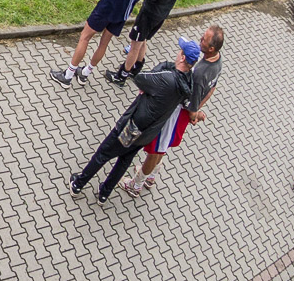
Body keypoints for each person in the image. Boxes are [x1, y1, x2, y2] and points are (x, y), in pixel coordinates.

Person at [70, 38, 198, 202]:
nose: (177, 53)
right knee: (124, 161)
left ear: (183, 57)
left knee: (103, 153)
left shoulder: (166, 78)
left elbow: (141, 78)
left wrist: (155, 79)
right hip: (148, 132)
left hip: (133, 126)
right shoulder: (188, 82)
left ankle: (78, 184)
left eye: (180, 51)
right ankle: (104, 193)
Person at [123, 24, 223, 198]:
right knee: (163, 146)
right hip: (184, 112)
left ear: (211, 48)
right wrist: (198, 108)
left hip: (177, 112)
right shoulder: (217, 61)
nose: (200, 39)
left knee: (157, 149)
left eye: (204, 40)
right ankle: (150, 176)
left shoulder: (199, 73)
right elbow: (212, 89)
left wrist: (196, 114)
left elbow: (192, 107)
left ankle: (136, 185)